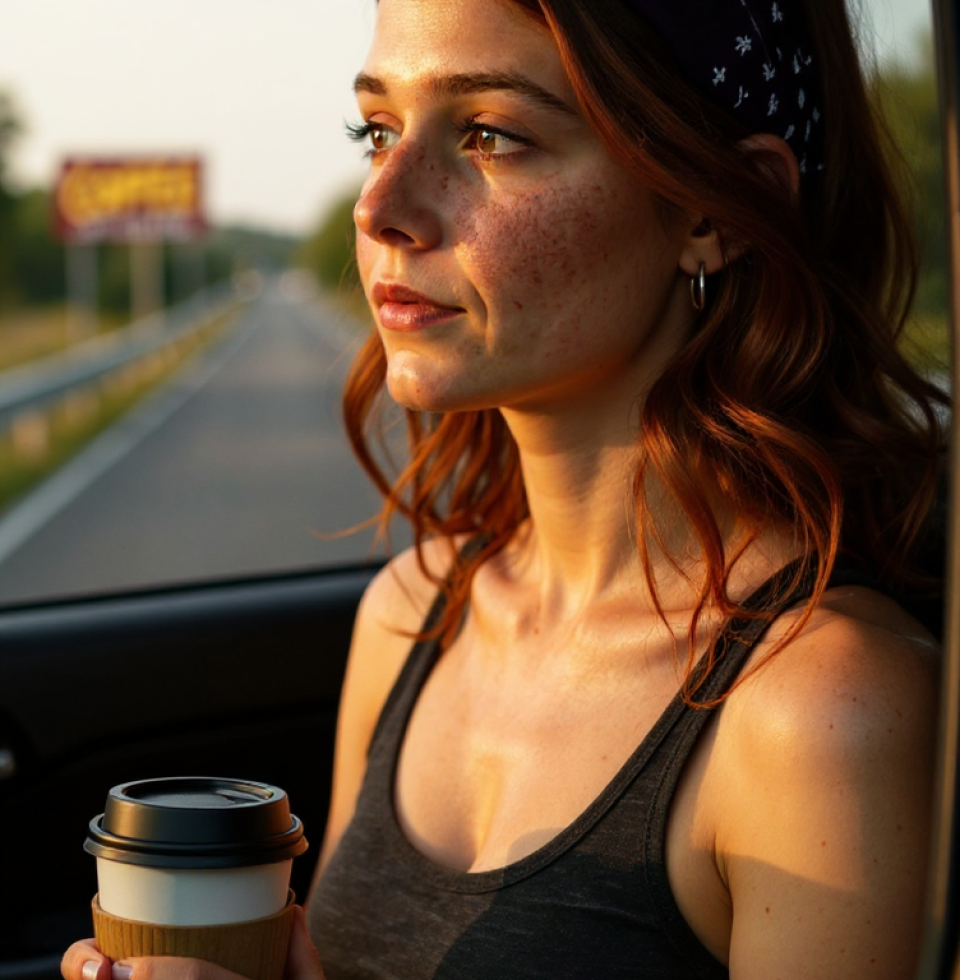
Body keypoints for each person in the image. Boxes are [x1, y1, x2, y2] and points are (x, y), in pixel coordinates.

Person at [62, 0, 948, 977]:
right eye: (377, 130)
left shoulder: (822, 709)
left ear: (714, 211)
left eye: (489, 134)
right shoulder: (413, 613)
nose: (378, 206)